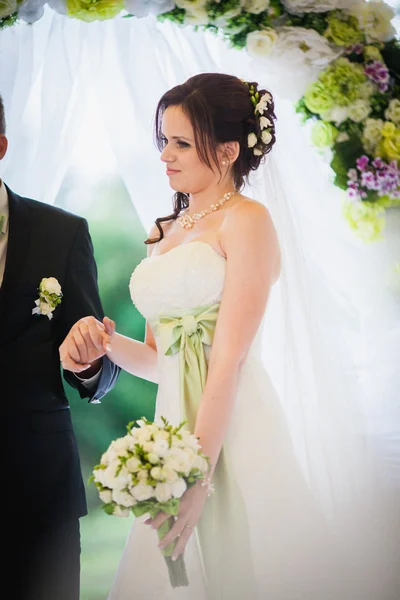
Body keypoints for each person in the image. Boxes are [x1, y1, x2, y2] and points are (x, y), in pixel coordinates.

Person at [61, 73, 396, 600]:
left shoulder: (248, 222)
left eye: (181, 143)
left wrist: (198, 477)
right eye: (163, 142)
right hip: (174, 423)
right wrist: (101, 341)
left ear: (227, 150)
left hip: (236, 422)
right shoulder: (162, 234)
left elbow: (228, 360)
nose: (165, 156)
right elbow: (157, 361)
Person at [0, 94, 120, 600]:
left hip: (37, 485)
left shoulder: (62, 233)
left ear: (1, 146)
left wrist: (89, 360)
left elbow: (98, 357)